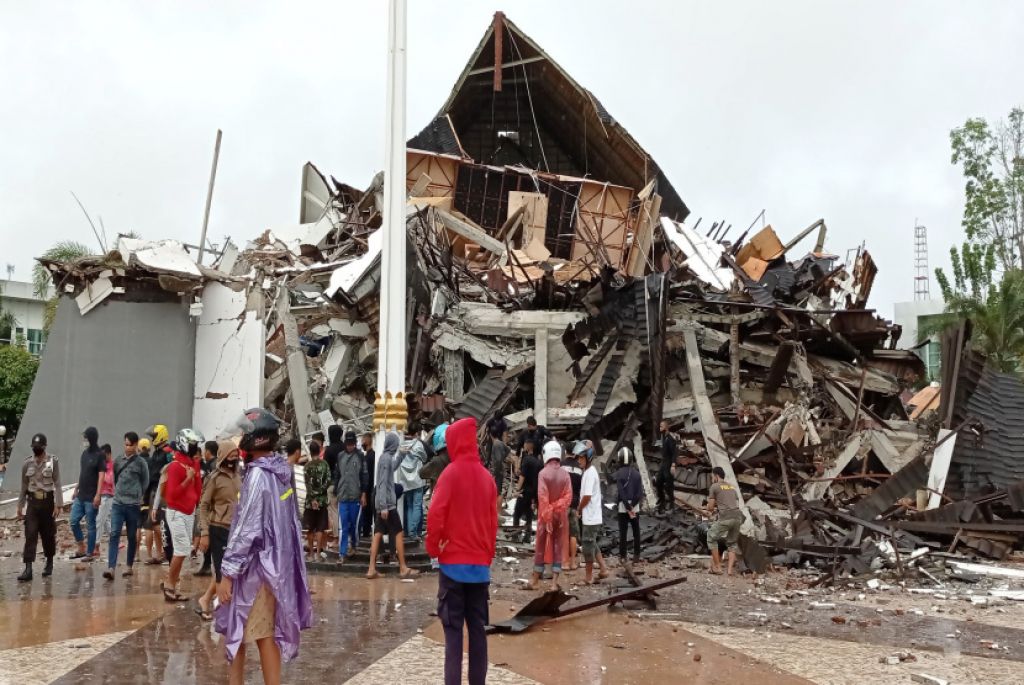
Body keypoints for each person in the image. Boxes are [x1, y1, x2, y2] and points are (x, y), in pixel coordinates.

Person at [215, 408, 313, 685]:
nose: (240, 438)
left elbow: (247, 529)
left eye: (245, 433)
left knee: (248, 633)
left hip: (254, 570)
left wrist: (227, 573)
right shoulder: (280, 472)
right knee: (257, 632)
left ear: (256, 439)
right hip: (273, 569)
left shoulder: (258, 476)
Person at [425, 417, 498, 685]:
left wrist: (434, 547)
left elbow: (435, 515)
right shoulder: (487, 478)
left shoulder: (450, 474)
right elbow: (493, 523)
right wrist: (486, 555)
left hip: (453, 568)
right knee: (478, 632)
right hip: (479, 570)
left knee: (453, 634)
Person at [196, 440, 241, 621]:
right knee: (223, 573)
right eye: (231, 456)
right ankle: (224, 614)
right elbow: (204, 506)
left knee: (232, 572)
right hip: (218, 530)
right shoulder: (214, 479)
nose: (234, 459)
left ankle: (206, 599)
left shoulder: (239, 476)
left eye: (236, 456)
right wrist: (204, 533)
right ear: (223, 456)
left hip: (236, 531)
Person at [366, 432, 419, 580]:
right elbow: (382, 483)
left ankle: (371, 568)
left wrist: (401, 455)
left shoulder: (386, 458)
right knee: (398, 533)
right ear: (393, 445)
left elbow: (393, 468)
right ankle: (402, 567)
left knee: (377, 534)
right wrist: (383, 506)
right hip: (387, 504)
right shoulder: (385, 459)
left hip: (382, 502)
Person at [161, 428, 204, 602]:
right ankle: (169, 585)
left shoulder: (190, 464)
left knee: (182, 551)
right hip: (176, 512)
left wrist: (196, 471)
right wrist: (188, 479)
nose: (195, 447)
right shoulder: (175, 467)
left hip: (189, 511)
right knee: (181, 550)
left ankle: (172, 584)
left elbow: (198, 490)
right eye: (193, 444)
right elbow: (171, 496)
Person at [103, 432, 149, 580]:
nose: (127, 447)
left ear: (136, 445)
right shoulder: (118, 461)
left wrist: (138, 494)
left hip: (133, 505)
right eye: (126, 444)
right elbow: (116, 477)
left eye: (130, 445)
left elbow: (145, 481)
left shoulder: (141, 463)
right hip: (118, 503)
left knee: (131, 536)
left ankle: (129, 566)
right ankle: (111, 568)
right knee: (114, 533)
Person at [16, 434, 62, 582]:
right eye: (34, 447)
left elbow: (58, 483)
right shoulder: (27, 464)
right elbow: (23, 486)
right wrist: (20, 506)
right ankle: (28, 569)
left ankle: (49, 562)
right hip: (33, 503)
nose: (36, 449)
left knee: (48, 535)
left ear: (44, 447)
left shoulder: (52, 462)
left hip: (48, 503)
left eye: (38, 447)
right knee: (30, 534)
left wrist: (58, 504)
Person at [530, 441, 572, 591]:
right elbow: (568, 496)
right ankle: (554, 583)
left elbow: (542, 496)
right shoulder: (565, 474)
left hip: (545, 515)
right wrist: (556, 508)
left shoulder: (543, 473)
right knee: (557, 547)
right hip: (560, 516)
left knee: (540, 546)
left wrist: (548, 513)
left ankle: (535, 580)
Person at [70, 426, 106, 561]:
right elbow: (83, 473)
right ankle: (81, 547)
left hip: (91, 497)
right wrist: (76, 488)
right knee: (73, 521)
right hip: (81, 495)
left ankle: (90, 553)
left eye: (85, 438)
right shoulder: (84, 454)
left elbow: (101, 476)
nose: (84, 440)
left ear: (91, 438)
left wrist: (98, 495)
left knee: (91, 525)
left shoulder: (100, 455)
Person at [334, 431, 367, 562]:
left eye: (352, 444)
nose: (350, 446)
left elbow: (364, 475)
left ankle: (354, 544)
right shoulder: (340, 456)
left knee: (354, 524)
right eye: (348, 444)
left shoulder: (360, 456)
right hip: (342, 496)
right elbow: (336, 474)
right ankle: (342, 553)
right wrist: (336, 490)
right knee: (343, 526)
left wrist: (363, 493)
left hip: (355, 496)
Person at [577, 445, 608, 584]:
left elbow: (587, 496)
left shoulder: (589, 473)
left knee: (587, 545)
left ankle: (588, 577)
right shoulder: (589, 471)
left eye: (581, 458)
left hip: (591, 516)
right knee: (592, 543)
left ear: (588, 458)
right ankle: (603, 568)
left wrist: (578, 509)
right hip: (592, 515)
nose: (579, 460)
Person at [143, 425, 173, 565]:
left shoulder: (168, 453)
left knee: (160, 523)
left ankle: (167, 553)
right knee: (154, 523)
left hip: (163, 491)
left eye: (153, 436)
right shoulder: (156, 452)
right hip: (153, 490)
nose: (152, 439)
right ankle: (159, 553)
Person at [707, 467, 743, 576]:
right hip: (737, 517)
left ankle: (718, 567)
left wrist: (709, 508)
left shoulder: (714, 486)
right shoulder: (731, 487)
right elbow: (734, 504)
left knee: (710, 537)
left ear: (716, 476)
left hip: (726, 517)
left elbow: (710, 507)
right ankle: (730, 571)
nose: (712, 478)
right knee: (732, 544)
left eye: (712, 476)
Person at [614, 447, 644, 564]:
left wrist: (627, 506)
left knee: (623, 533)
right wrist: (632, 506)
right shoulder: (637, 474)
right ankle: (636, 555)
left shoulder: (619, 474)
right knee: (636, 532)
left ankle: (623, 556)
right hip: (635, 508)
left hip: (623, 507)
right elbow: (639, 493)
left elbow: (621, 492)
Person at [195, 441, 220, 577]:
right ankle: (206, 565)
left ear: (209, 451)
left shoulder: (213, 466)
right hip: (212, 505)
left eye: (205, 451)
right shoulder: (211, 465)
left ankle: (208, 566)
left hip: (211, 507)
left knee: (208, 535)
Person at [302, 441, 331, 561]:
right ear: (319, 451)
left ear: (310, 450)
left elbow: (307, 485)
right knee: (320, 528)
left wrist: (313, 498)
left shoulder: (307, 466)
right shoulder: (325, 465)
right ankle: (318, 553)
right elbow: (328, 480)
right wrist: (319, 495)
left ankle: (310, 555)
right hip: (322, 501)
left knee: (310, 528)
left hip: (310, 502)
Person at [561, 442, 586, 571]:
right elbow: (581, 489)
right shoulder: (579, 468)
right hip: (575, 503)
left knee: (563, 532)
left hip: (563, 503)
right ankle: (573, 562)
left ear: (565, 451)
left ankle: (564, 562)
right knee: (573, 534)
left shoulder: (561, 466)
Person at [396, 435, 427, 541]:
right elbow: (424, 458)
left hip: (406, 480)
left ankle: (409, 531)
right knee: (417, 506)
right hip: (417, 479)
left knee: (409, 506)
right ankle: (413, 532)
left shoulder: (401, 444)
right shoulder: (418, 444)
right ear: (416, 433)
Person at [512, 438, 541, 544]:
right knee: (529, 514)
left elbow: (523, 476)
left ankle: (515, 535)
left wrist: (517, 490)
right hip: (533, 491)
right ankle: (527, 537)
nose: (523, 445)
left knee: (516, 513)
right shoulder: (538, 462)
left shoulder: (527, 459)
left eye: (525, 443)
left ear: (529, 445)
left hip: (524, 491)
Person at [323, 425, 344, 543]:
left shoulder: (329, 449)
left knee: (334, 510)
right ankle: (346, 536)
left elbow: (326, 468)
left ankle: (337, 537)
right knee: (344, 509)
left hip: (332, 484)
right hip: (345, 484)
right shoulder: (345, 447)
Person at [95, 443, 115, 558]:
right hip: (101, 495)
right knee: (106, 520)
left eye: (104, 456)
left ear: (109, 454)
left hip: (108, 496)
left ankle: (96, 546)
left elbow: (109, 480)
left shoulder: (112, 466)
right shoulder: (102, 465)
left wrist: (101, 475)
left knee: (99, 521)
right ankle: (115, 541)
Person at [656, 420, 677, 513]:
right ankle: (662, 499)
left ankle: (671, 504)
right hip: (663, 463)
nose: (660, 428)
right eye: (660, 426)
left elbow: (675, 453)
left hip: (669, 463)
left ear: (666, 427)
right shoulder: (663, 438)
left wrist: (673, 464)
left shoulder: (670, 438)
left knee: (669, 485)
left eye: (661, 426)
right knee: (658, 482)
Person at [358, 432, 375, 540]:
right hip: (370, 487)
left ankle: (365, 531)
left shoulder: (369, 457)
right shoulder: (372, 455)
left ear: (368, 441)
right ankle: (366, 530)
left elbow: (366, 474)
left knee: (366, 510)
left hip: (367, 488)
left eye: (363, 440)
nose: (362, 443)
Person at [487, 431, 509, 513]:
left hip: (498, 470)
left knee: (497, 492)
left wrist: (495, 473)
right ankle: (497, 510)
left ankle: (498, 511)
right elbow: (508, 450)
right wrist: (503, 457)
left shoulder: (495, 444)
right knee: (497, 490)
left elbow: (498, 460)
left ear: (490, 435)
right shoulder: (500, 442)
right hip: (500, 469)